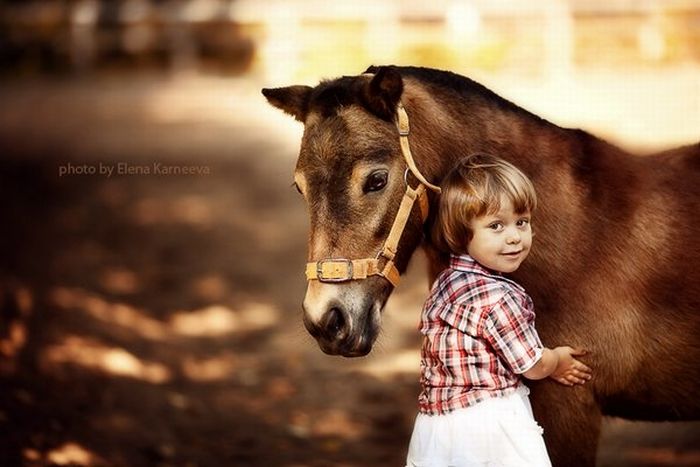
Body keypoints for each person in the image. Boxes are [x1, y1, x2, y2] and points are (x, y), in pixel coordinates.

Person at [406, 154, 593, 467]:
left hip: (434, 427)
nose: (514, 237)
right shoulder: (498, 298)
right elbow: (531, 365)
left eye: (522, 222)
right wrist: (557, 360)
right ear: (462, 233)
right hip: (489, 427)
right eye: (496, 226)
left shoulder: (443, 284)